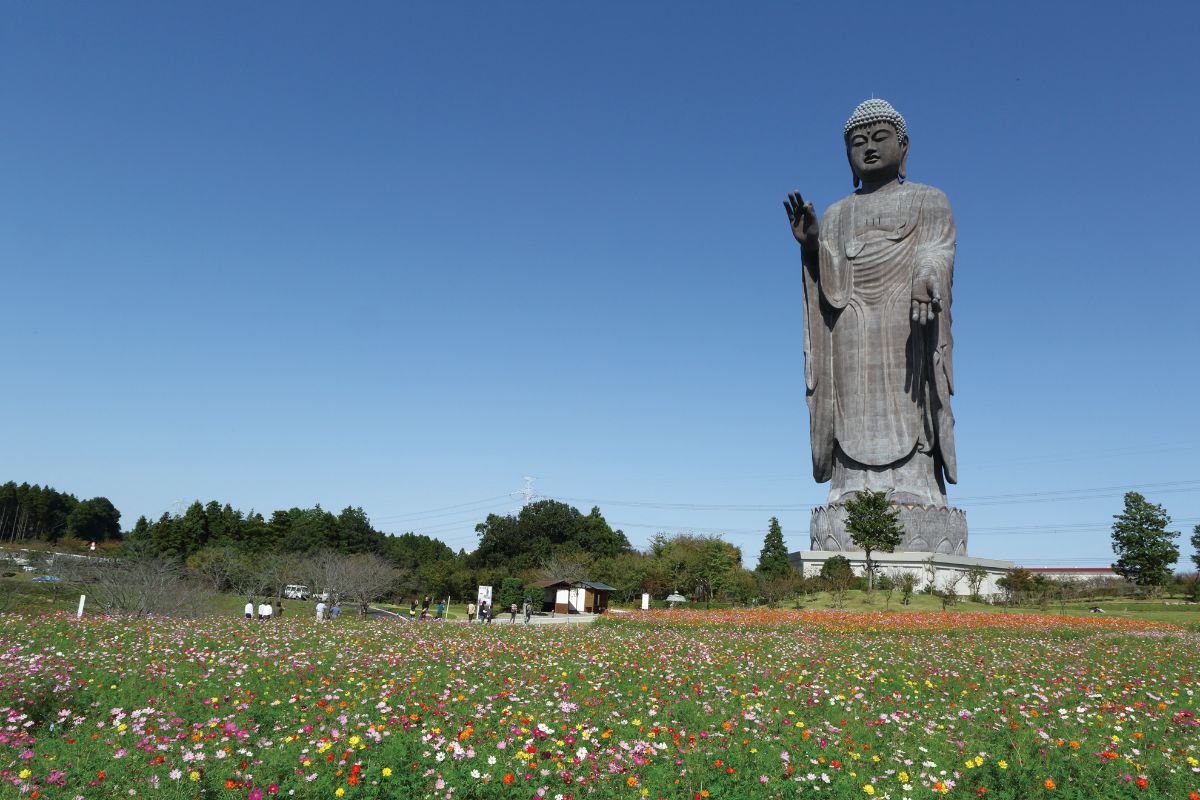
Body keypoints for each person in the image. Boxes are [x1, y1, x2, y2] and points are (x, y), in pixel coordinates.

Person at [784, 99, 958, 546]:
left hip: (907, 316)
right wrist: (811, 244)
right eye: (857, 143)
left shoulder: (928, 200)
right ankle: (849, 485)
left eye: (880, 138)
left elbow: (936, 250)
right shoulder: (840, 212)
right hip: (851, 321)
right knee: (849, 398)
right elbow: (829, 283)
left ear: (904, 145)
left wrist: (925, 278)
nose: (870, 148)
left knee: (910, 394)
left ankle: (916, 484)